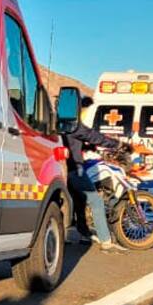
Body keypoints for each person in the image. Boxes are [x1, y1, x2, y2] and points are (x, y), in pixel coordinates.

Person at [61, 103, 127, 253]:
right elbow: (94, 136)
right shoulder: (73, 125)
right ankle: (106, 241)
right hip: (75, 169)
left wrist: (86, 147)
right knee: (96, 201)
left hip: (62, 170)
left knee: (79, 201)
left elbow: (70, 143)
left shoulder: (59, 125)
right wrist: (118, 144)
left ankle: (84, 234)